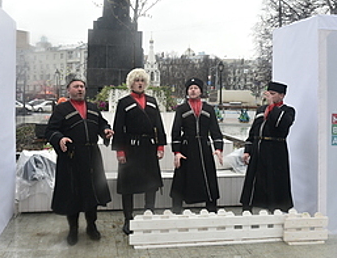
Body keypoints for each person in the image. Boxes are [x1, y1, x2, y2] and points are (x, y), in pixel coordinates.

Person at [44, 79, 114, 246]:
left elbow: (101, 123)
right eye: (76, 86)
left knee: (92, 193)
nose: (80, 89)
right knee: (72, 195)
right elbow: (50, 130)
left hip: (92, 157)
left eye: (82, 86)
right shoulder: (62, 109)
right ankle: (73, 229)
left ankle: (91, 226)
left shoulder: (93, 108)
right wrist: (60, 138)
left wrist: (105, 130)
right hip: (71, 157)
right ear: (69, 90)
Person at [112, 68, 167, 235]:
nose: (140, 83)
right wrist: (120, 151)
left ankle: (149, 214)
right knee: (127, 185)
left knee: (151, 183)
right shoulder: (124, 103)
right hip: (130, 149)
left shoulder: (151, 101)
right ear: (131, 83)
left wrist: (160, 146)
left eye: (142, 80)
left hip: (149, 148)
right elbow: (118, 128)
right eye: (137, 81)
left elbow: (158, 124)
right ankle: (128, 219)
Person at [170, 78, 224, 214]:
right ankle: (176, 208)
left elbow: (215, 130)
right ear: (187, 91)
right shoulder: (181, 109)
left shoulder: (208, 109)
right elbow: (175, 131)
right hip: (187, 148)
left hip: (204, 148)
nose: (193, 90)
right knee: (182, 177)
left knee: (208, 177)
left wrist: (218, 148)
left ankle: (211, 207)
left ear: (200, 91)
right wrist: (176, 152)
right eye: (190, 88)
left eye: (195, 88)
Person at [240, 81, 295, 213]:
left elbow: (281, 124)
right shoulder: (261, 110)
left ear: (282, 95)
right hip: (258, 148)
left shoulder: (288, 110)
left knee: (274, 179)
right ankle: (248, 207)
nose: (269, 96)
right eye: (268, 93)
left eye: (273, 94)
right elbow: (253, 131)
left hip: (275, 150)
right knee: (253, 179)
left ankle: (275, 207)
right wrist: (248, 150)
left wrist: (272, 106)